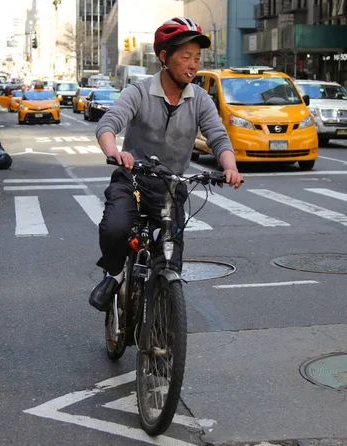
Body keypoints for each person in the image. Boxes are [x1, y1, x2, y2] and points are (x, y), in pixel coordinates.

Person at [88, 17, 244, 312]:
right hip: (132, 181)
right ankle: (115, 273)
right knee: (115, 228)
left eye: (197, 58)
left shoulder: (199, 98)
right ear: (164, 57)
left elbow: (218, 138)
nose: (193, 64)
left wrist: (230, 166)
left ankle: (162, 322)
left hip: (171, 188)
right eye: (185, 56)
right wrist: (115, 153)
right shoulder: (140, 91)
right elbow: (109, 123)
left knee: (170, 256)